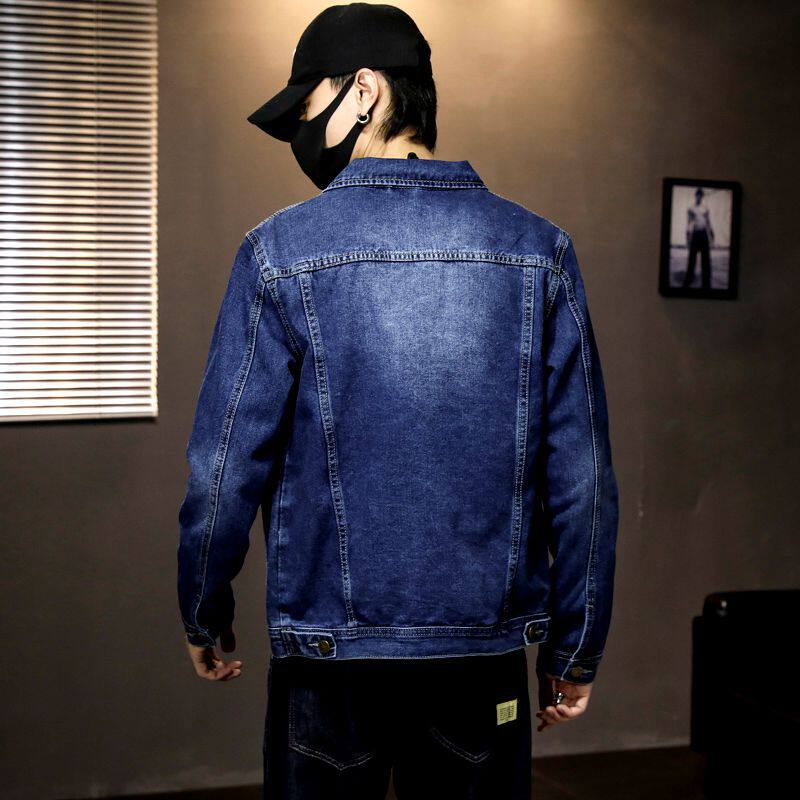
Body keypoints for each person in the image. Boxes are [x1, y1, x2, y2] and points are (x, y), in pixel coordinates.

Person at [176, 3, 619, 798]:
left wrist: (202, 610)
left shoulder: (278, 253)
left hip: (328, 665)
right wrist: (574, 651)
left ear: (366, 89)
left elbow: (223, 471)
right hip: (481, 662)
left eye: (306, 109)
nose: (301, 136)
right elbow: (582, 479)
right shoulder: (538, 253)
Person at [682, 186, 715, 289]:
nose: (699, 197)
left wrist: (712, 234)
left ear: (702, 197)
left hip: (704, 235)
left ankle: (706, 282)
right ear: (695, 196)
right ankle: (688, 279)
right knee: (692, 258)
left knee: (706, 259)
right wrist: (687, 235)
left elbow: (708, 222)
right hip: (695, 234)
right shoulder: (691, 209)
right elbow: (689, 223)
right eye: (697, 195)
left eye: (701, 195)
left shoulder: (706, 208)